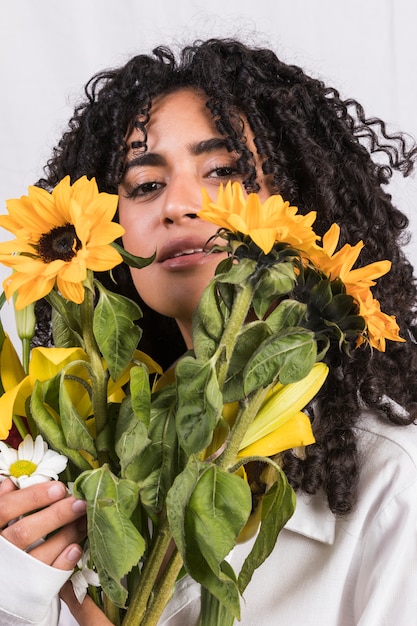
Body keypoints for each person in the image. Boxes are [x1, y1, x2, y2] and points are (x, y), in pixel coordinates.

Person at [0, 37, 416, 626]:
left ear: (303, 200)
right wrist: (20, 597)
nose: (179, 205)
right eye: (145, 184)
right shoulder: (87, 480)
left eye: (223, 171)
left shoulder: (396, 484)